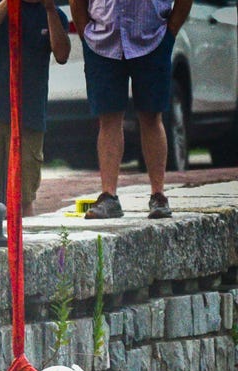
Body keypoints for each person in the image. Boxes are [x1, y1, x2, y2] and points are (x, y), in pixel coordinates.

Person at [69, 0, 193, 219]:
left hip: (151, 38)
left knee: (152, 116)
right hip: (103, 40)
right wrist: (86, 33)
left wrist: (170, 31)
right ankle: (108, 195)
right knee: (108, 118)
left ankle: (158, 194)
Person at [0, 0, 70, 216]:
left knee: (23, 196)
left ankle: (24, 246)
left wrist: (49, 10)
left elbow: (62, 55)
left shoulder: (54, 14)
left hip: (28, 117)